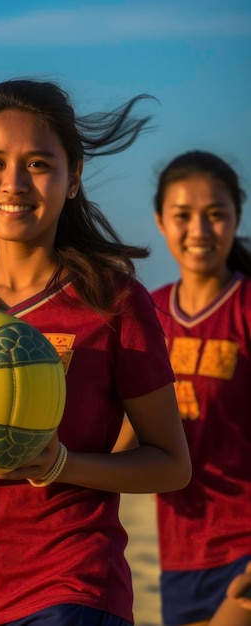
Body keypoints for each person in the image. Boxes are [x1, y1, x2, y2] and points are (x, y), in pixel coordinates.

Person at [0, 78, 192, 626]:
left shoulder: (112, 300)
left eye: (39, 164)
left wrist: (64, 465)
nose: (14, 182)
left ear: (73, 178)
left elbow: (171, 464)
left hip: (74, 587)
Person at [150, 150, 251, 626]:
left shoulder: (246, 307)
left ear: (237, 216)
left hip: (244, 546)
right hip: (180, 553)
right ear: (159, 220)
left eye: (216, 215)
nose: (200, 230)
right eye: (183, 216)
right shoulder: (147, 314)